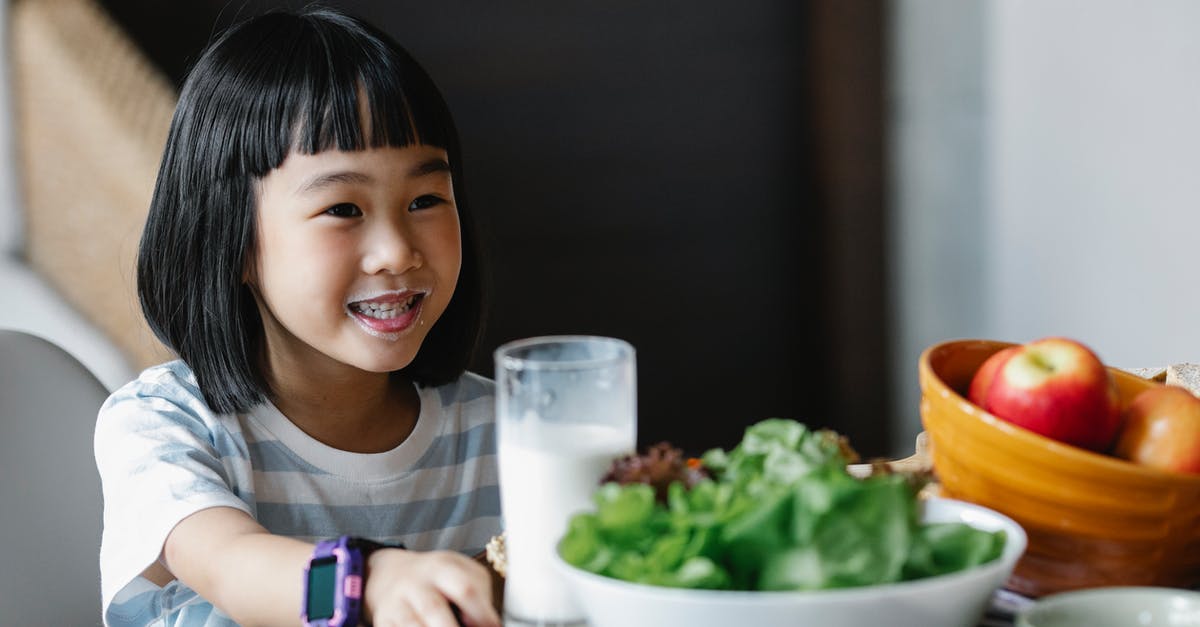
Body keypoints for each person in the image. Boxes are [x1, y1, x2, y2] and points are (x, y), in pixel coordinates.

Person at [94, 6, 501, 626]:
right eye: (343, 208)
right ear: (231, 242)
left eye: (424, 200)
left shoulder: (506, 431)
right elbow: (233, 564)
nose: (396, 251)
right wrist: (369, 584)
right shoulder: (163, 426)